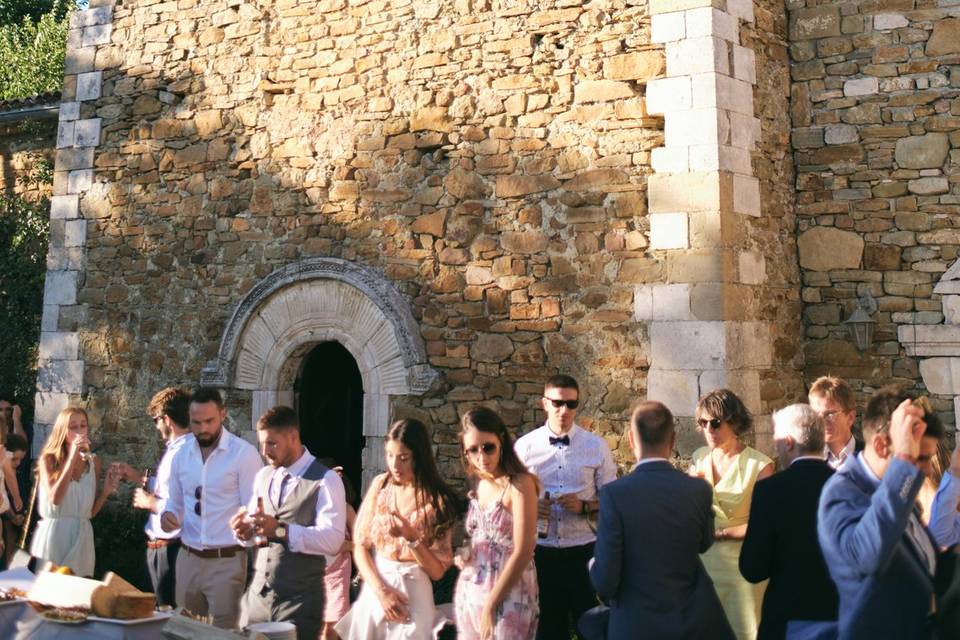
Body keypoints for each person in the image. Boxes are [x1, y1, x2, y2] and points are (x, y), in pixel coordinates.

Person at [585, 401, 733, 640]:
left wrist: (593, 565)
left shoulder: (615, 494)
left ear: (631, 440)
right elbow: (704, 543)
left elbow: (605, 581)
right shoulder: (698, 489)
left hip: (637, 624)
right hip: (691, 622)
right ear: (673, 440)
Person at [817, 386, 936, 639]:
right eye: (920, 459)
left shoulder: (895, 489)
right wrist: (904, 461)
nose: (925, 472)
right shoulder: (841, 493)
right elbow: (867, 556)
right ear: (882, 446)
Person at [335, 418, 460, 640]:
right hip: (376, 587)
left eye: (404, 458)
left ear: (419, 458)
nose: (395, 465)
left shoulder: (437, 500)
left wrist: (412, 538)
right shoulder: (381, 485)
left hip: (414, 592)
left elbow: (437, 571)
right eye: (390, 456)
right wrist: (381, 591)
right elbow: (361, 546)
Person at [514, 374, 616, 640]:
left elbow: (613, 501)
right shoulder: (524, 448)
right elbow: (508, 501)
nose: (564, 411)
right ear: (544, 403)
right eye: (558, 403)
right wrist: (531, 507)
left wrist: (585, 506)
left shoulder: (596, 446)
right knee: (548, 629)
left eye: (572, 404)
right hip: (541, 554)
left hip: (584, 551)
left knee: (592, 627)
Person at [231, 406, 346, 640]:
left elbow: (333, 540)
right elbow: (257, 531)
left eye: (272, 443)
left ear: (293, 437)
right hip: (257, 599)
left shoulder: (327, 480)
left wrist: (282, 530)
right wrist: (244, 532)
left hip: (299, 602)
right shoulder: (264, 476)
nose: (264, 451)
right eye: (262, 443)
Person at [159, 387, 262, 629]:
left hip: (226, 560)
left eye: (209, 421)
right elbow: (173, 502)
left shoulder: (244, 455)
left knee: (224, 634)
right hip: (187, 557)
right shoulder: (180, 454)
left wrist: (247, 526)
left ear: (223, 415)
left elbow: (254, 507)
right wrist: (167, 516)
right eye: (196, 422)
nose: (203, 428)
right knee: (184, 630)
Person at [739, 404, 838, 640]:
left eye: (777, 438)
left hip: (787, 618)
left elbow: (753, 568)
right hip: (839, 616)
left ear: (789, 442)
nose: (775, 444)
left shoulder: (770, 490)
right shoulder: (848, 485)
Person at [688, 388, 773, 640]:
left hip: (743, 567)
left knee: (745, 632)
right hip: (704, 562)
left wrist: (722, 533)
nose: (708, 430)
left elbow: (764, 525)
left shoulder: (760, 465)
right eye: (702, 423)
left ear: (733, 421)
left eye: (715, 422)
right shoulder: (699, 458)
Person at [455, 407, 539, 639]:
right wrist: (463, 552)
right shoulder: (477, 482)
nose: (482, 457)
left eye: (488, 447)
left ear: (501, 441)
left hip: (509, 587)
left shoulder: (520, 484)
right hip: (472, 586)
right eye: (473, 450)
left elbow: (523, 550)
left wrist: (491, 605)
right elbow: (474, 535)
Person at [114, 387, 194, 607]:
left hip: (171, 548)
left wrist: (149, 502)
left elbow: (186, 503)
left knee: (169, 618)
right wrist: (135, 476)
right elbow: (170, 489)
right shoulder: (180, 449)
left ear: (167, 419)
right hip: (165, 547)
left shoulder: (183, 452)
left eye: (156, 420)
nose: (156, 427)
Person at [30, 407, 120, 576]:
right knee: (51, 595)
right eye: (73, 427)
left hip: (83, 536)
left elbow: (88, 513)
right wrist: (72, 457)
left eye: (83, 425)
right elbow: (55, 499)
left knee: (78, 594)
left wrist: (106, 491)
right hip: (56, 535)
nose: (79, 431)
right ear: (62, 431)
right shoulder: (49, 460)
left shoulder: (94, 463)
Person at [321, 463, 357, 640]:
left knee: (333, 623)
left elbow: (361, 542)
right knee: (318, 623)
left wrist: (343, 545)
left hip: (338, 572)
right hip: (316, 572)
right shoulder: (313, 510)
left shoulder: (346, 509)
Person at [808, 376, 862, 470]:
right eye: (816, 415)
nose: (821, 421)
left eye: (829, 414)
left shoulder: (869, 458)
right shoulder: (809, 461)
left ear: (850, 417)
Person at [2, 433, 28, 566]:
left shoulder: (18, 474)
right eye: (14, 459)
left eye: (21, 460)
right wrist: (12, 515)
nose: (18, 463)